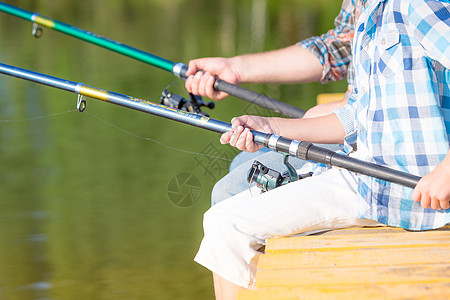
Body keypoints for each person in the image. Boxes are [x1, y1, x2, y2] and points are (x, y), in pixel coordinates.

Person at [194, 0, 450, 298]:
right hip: (369, 174)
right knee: (223, 219)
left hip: (407, 189)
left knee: (226, 224)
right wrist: (272, 128)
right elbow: (357, 115)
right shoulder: (370, 14)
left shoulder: (416, 5)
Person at [185, 0, 369, 205]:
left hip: (369, 136)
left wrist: (275, 126)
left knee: (229, 193)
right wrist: (234, 67)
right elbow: (340, 46)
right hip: (352, 120)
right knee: (240, 163)